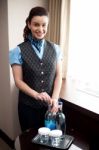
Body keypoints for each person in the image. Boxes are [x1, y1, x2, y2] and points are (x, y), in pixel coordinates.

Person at [9, 6, 62, 132]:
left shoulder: (56, 49)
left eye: (44, 25)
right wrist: (36, 95)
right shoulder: (17, 51)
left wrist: (54, 99)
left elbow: (58, 75)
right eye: (36, 25)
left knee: (51, 141)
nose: (40, 29)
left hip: (50, 107)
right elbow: (18, 81)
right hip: (28, 108)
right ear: (29, 24)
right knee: (30, 143)